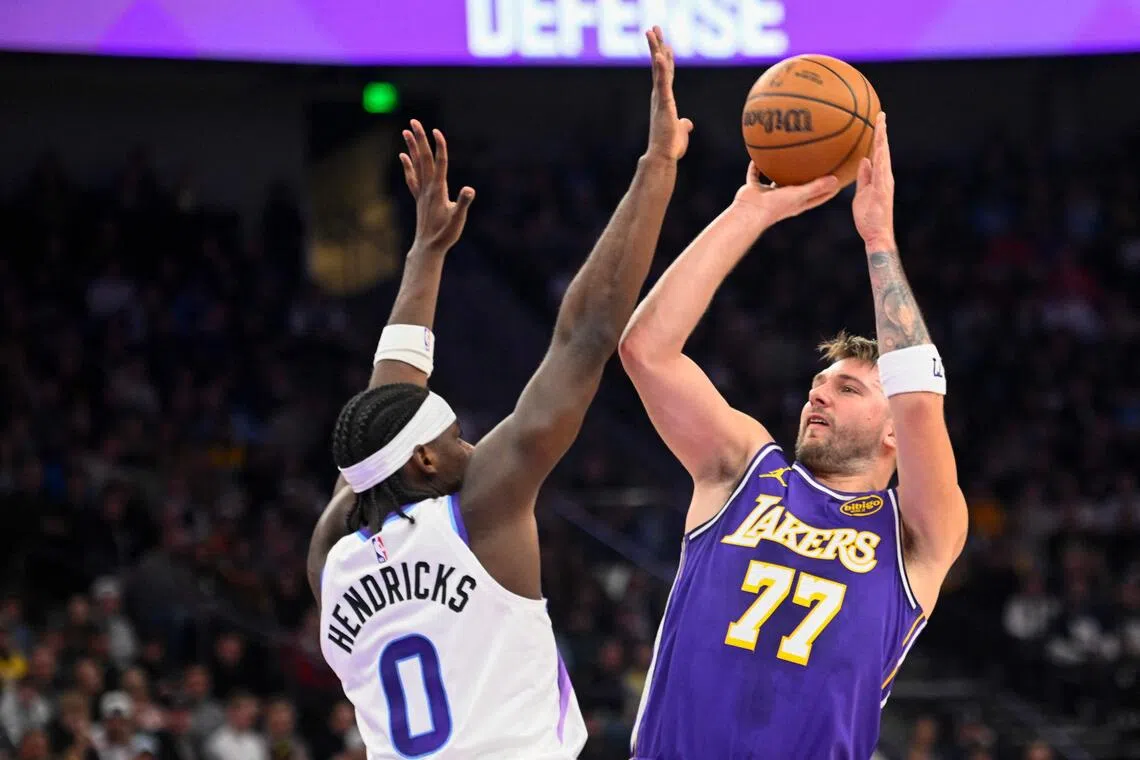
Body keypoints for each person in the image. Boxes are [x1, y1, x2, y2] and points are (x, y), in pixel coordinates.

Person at [306, 28, 692, 760]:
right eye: (454, 437)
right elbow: (585, 335)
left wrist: (425, 255)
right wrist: (656, 170)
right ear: (423, 463)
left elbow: (378, 421)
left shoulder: (331, 552)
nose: (472, 444)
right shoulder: (479, 511)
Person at [619, 113, 969, 758]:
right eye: (820, 381)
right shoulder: (743, 473)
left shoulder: (919, 534)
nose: (819, 391)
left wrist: (878, 236)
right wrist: (747, 213)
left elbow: (920, 400)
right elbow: (647, 350)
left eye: (848, 388)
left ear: (893, 432)